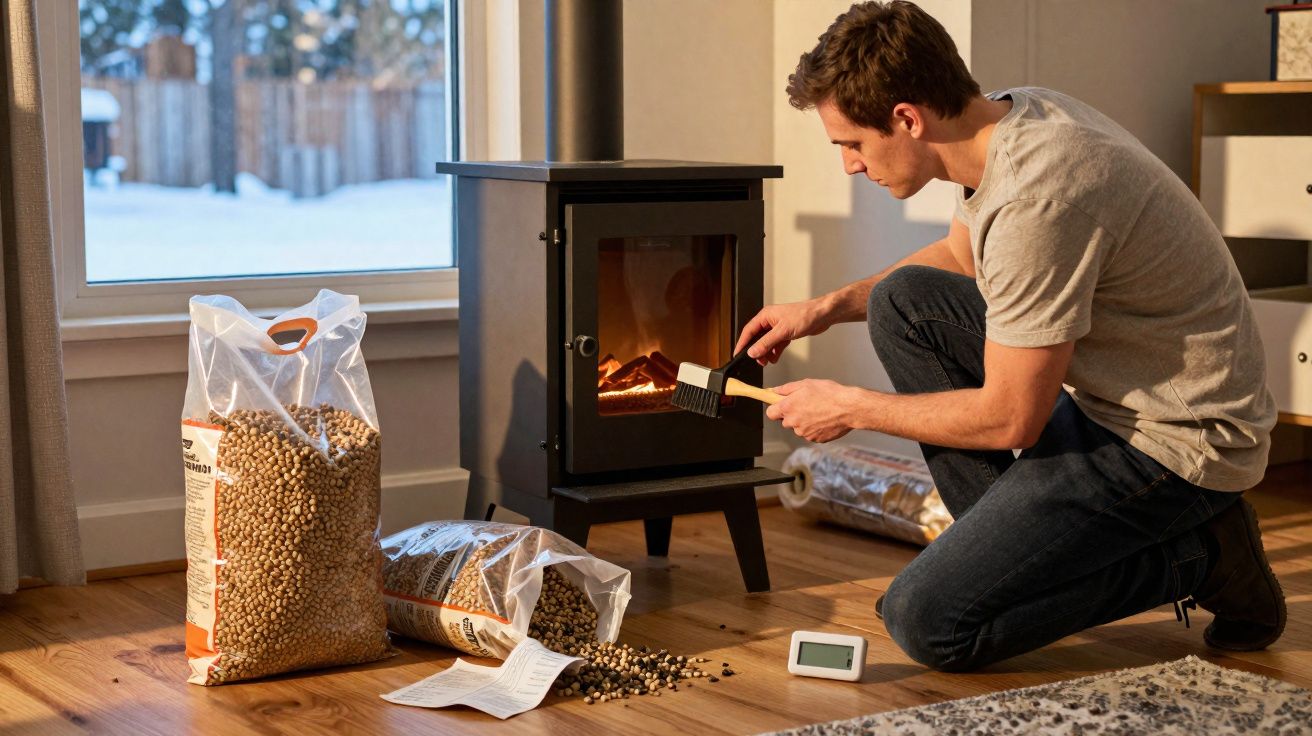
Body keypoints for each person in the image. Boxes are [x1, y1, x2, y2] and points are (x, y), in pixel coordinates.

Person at [738, 0, 1285, 672]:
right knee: (899, 303)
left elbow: (1010, 420)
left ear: (908, 118)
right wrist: (825, 306)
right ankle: (1002, 560)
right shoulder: (1010, 117)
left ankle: (1202, 556)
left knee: (929, 623)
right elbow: (961, 261)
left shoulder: (1039, 196)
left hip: (1178, 440)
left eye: (852, 143)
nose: (850, 165)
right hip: (1114, 400)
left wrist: (847, 407)